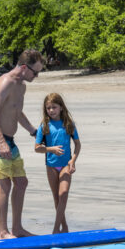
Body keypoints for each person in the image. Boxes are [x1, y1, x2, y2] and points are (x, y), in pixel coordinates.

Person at [0, 49, 44, 239]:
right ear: (25, 68)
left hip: (9, 140)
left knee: (21, 182)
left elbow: (17, 113)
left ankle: (17, 229)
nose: (37, 76)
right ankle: (3, 232)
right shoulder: (5, 82)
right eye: (36, 72)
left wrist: (34, 131)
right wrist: (1, 142)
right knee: (4, 186)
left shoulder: (22, 86)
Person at [34, 93, 81, 233]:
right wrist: (51, 149)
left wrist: (73, 160)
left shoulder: (68, 124)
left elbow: (78, 145)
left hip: (66, 165)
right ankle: (64, 227)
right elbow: (37, 148)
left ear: (61, 107)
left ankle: (55, 229)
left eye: (54, 107)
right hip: (51, 166)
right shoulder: (44, 125)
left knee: (64, 193)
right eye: (48, 108)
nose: (51, 110)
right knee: (56, 197)